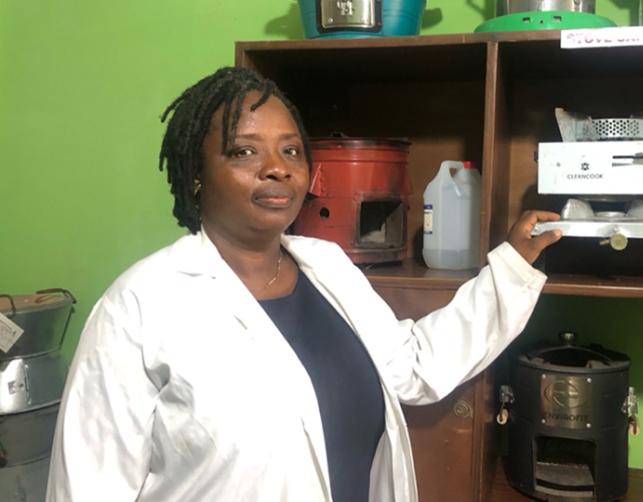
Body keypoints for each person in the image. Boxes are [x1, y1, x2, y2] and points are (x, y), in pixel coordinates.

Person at [46, 67, 562, 502]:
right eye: (244, 152)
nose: (277, 169)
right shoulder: (141, 305)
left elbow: (411, 366)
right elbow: (88, 484)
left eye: (291, 150)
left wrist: (513, 265)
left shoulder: (327, 265)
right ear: (197, 176)